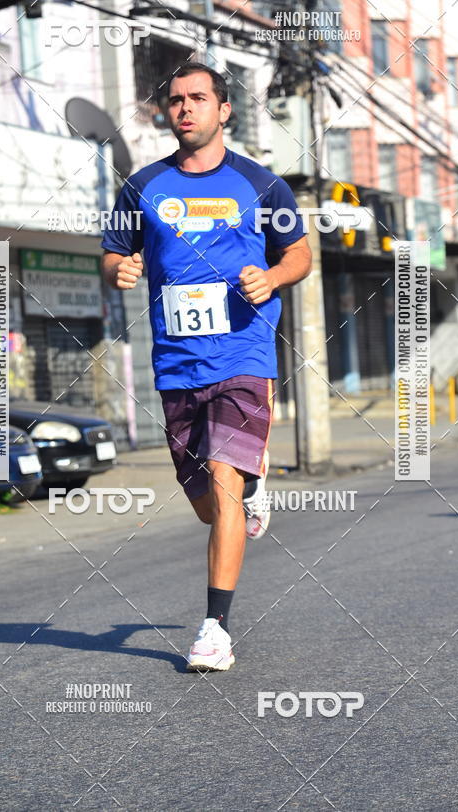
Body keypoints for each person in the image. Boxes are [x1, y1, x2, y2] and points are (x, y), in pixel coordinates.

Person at [101, 62, 312, 671]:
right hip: (176, 363)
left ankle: (215, 628)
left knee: (222, 485)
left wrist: (272, 275)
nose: (185, 108)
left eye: (198, 98)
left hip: (244, 355)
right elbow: (112, 255)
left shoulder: (261, 185)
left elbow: (299, 253)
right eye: (175, 100)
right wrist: (120, 270)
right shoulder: (142, 186)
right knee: (205, 502)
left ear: (224, 110)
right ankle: (251, 489)